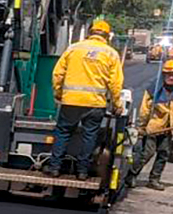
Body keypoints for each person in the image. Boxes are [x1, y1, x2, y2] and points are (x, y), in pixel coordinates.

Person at [46, 19, 125, 180]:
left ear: (90, 32)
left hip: (71, 101)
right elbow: (116, 83)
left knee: (63, 132)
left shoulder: (74, 49)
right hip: (95, 104)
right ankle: (82, 171)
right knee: (90, 136)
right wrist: (117, 104)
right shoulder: (111, 53)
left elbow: (57, 74)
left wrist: (58, 93)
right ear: (107, 36)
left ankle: (55, 167)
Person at [128, 59, 173, 190]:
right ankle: (131, 176)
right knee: (147, 154)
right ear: (164, 74)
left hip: (170, 128)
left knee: (163, 154)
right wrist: (141, 127)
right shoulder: (154, 88)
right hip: (153, 128)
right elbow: (144, 109)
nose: (171, 77)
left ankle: (154, 179)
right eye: (169, 74)